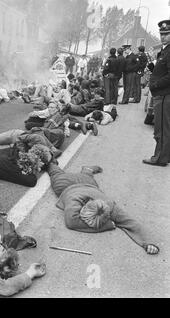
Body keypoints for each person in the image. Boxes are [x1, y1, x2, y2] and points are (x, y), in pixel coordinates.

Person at [46, 162, 160, 255]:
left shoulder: (110, 207)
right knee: (55, 172)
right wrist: (107, 226)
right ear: (83, 208)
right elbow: (71, 222)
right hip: (65, 185)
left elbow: (130, 222)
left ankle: (87, 170)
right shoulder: (74, 201)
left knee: (86, 177)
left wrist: (148, 242)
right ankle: (53, 163)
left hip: (88, 184)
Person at [143, 20, 170, 167]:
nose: (163, 37)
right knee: (163, 128)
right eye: (161, 34)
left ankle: (159, 158)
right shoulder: (164, 51)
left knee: (161, 129)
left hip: (164, 95)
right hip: (162, 94)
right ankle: (163, 156)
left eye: (167, 34)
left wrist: (154, 84)